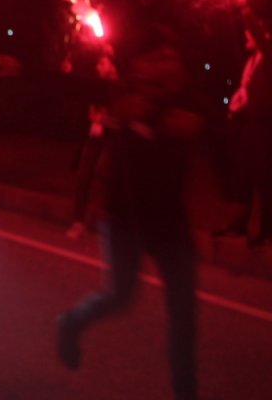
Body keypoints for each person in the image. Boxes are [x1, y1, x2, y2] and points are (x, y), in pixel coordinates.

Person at [57, 26, 202, 400]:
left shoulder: (185, 100)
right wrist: (118, 112)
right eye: (159, 58)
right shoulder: (121, 98)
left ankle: (186, 394)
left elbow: (203, 127)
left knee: (184, 316)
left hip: (170, 224)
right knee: (119, 296)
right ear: (139, 65)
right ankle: (72, 322)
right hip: (126, 220)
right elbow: (80, 90)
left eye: (172, 57)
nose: (169, 64)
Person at [213, 0, 272, 246]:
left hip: (265, 127)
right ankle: (239, 225)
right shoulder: (251, 61)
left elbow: (260, 37)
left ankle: (267, 230)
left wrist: (244, 5)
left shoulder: (269, 56)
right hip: (248, 125)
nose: (247, 36)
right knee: (244, 176)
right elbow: (247, 91)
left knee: (264, 177)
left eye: (251, 33)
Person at [67, 50, 118, 240]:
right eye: (98, 64)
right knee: (83, 177)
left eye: (102, 64)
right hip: (94, 137)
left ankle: (100, 223)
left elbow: (120, 119)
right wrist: (98, 118)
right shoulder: (96, 85)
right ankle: (78, 222)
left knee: (102, 179)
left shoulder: (118, 88)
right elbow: (91, 113)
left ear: (113, 66)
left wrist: (105, 120)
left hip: (111, 140)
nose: (98, 67)